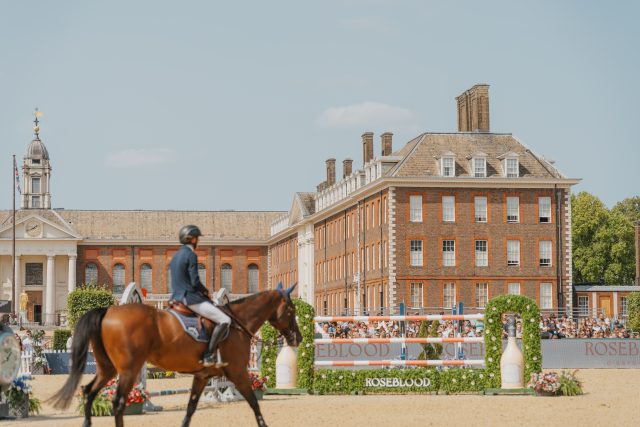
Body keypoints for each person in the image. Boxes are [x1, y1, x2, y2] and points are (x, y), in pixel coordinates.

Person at [170, 225, 231, 367]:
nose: (198, 241)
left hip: (175, 298)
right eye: (197, 238)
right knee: (225, 320)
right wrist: (205, 292)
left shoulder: (176, 256)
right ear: (192, 239)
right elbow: (195, 281)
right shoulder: (191, 255)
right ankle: (208, 355)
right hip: (189, 298)